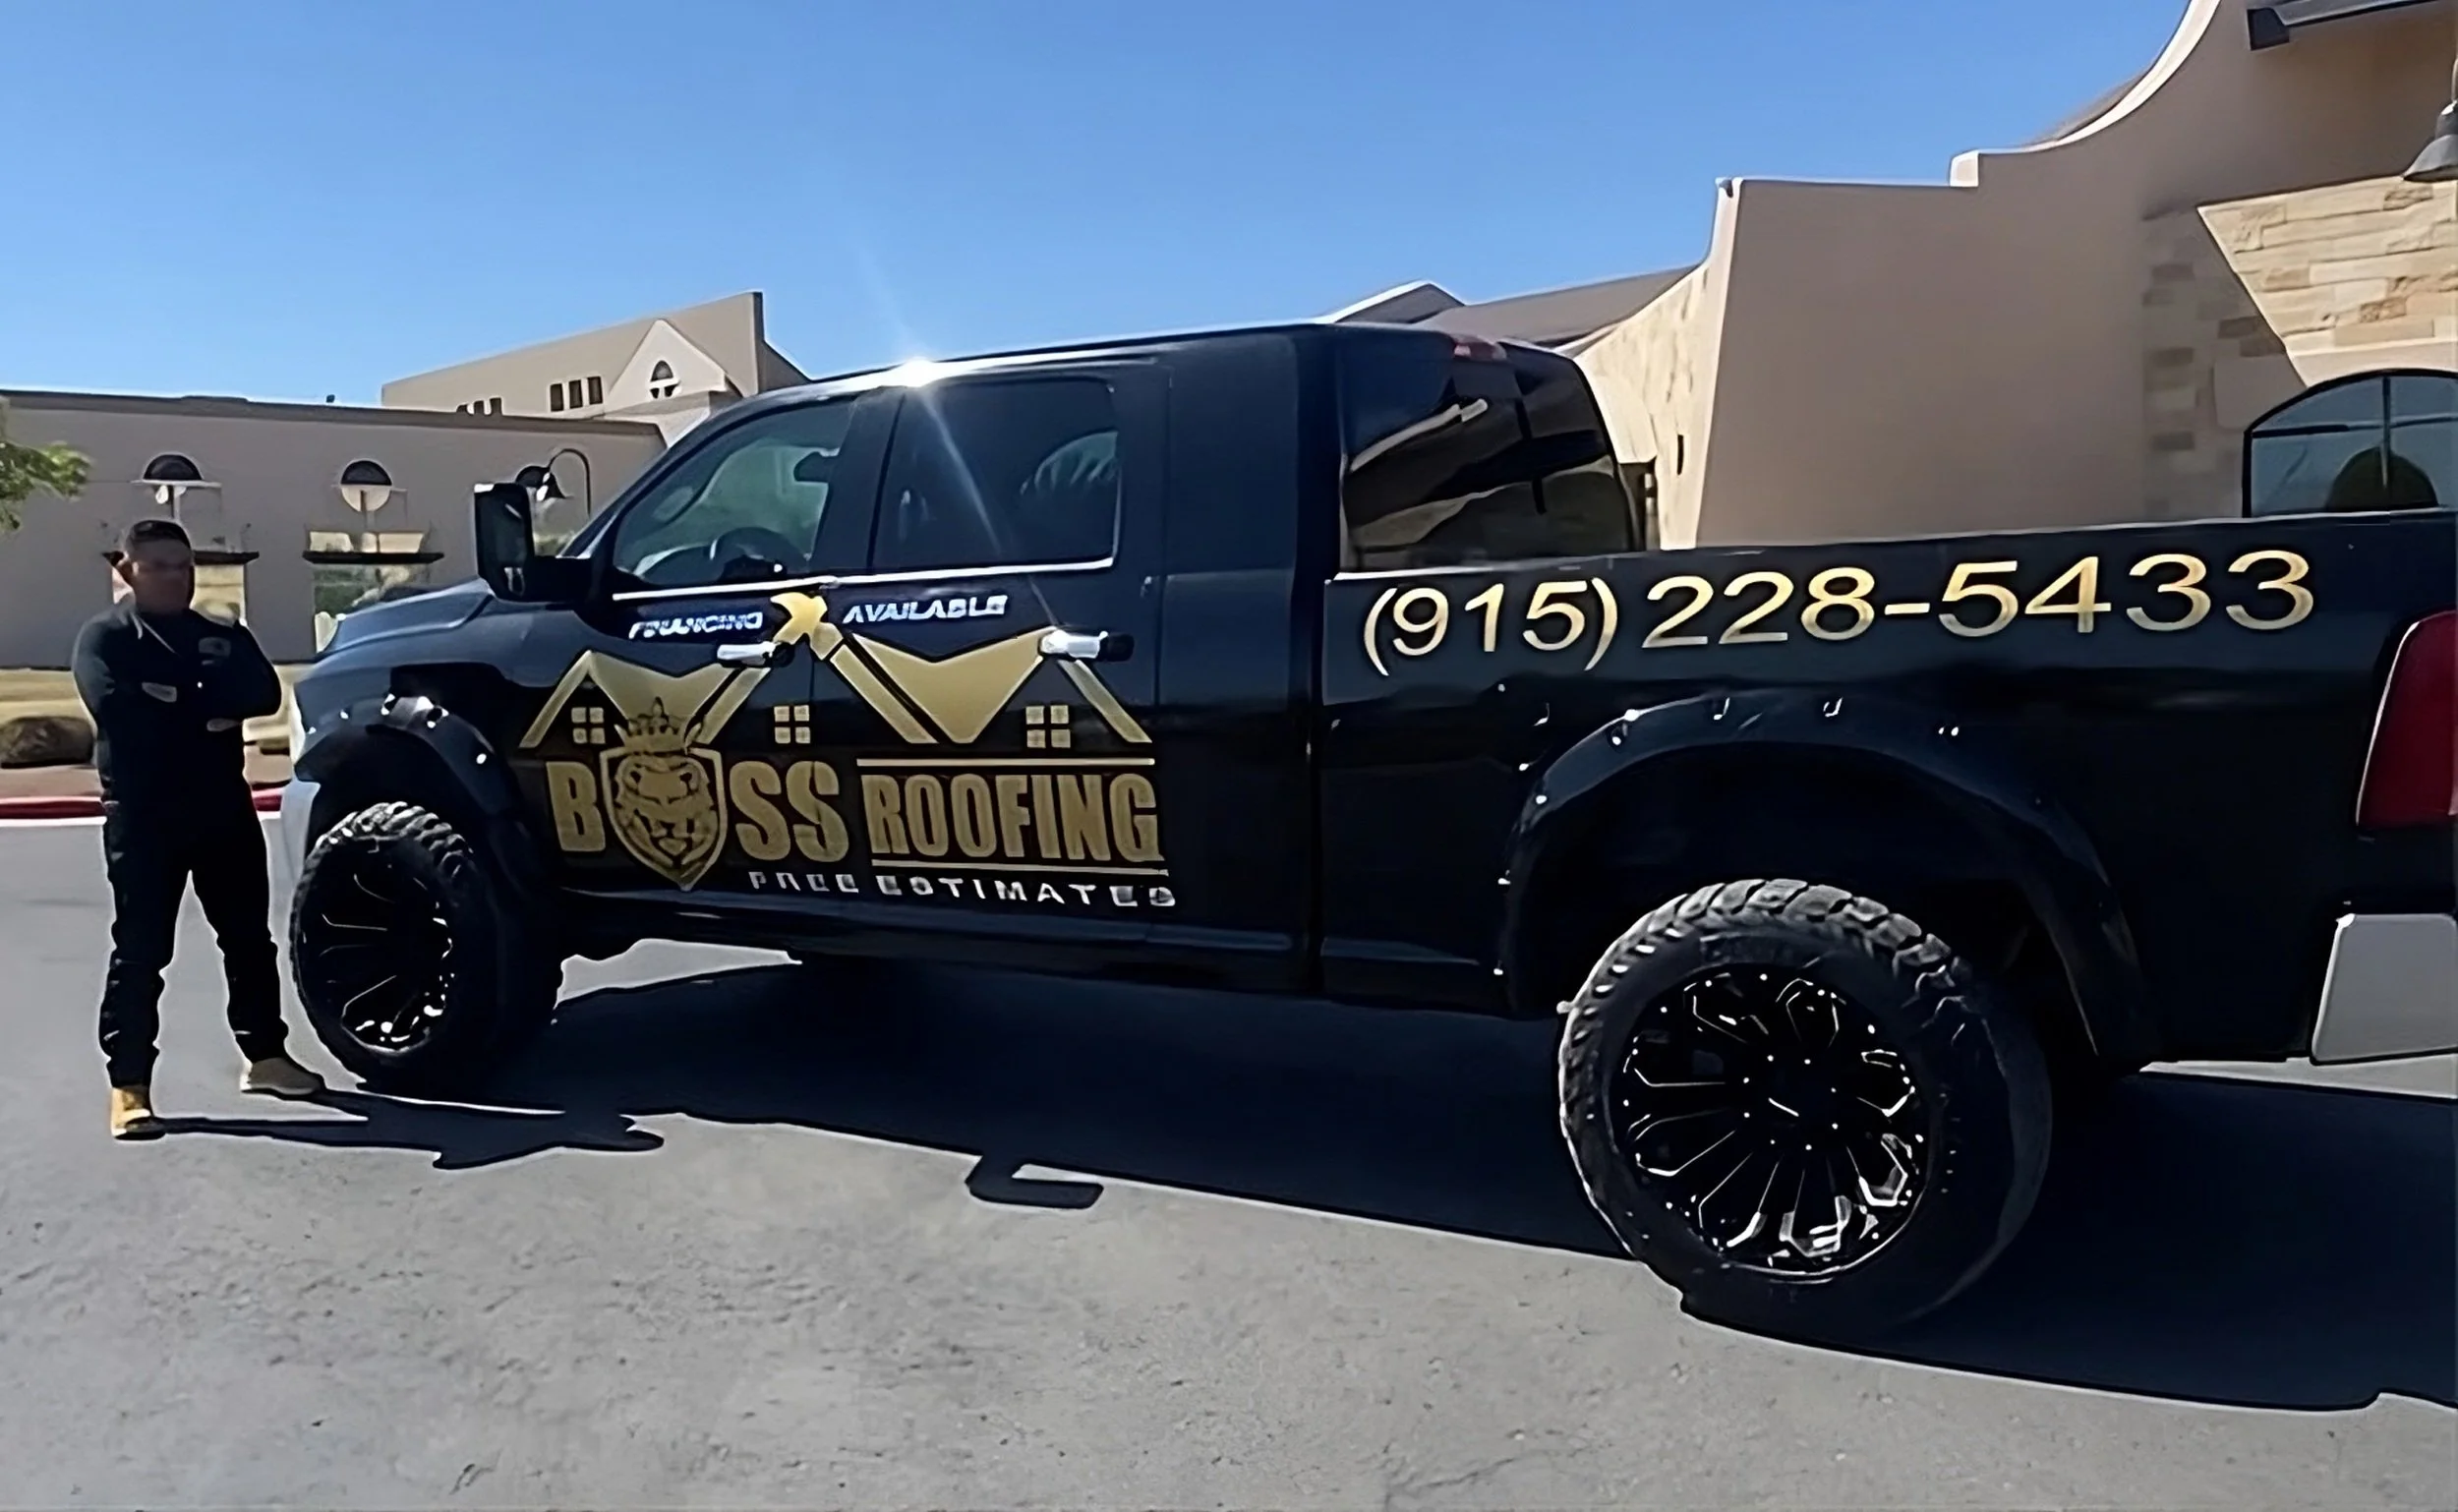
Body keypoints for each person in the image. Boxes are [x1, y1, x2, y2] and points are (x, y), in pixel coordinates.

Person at [72, 518, 325, 1139]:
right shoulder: (105, 638)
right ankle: (129, 1085)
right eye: (159, 565)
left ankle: (266, 1056)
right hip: (145, 816)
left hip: (222, 809)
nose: (176, 577)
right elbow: (119, 708)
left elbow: (263, 694)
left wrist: (176, 698)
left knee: (247, 942)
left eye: (184, 565)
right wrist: (208, 705)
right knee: (141, 952)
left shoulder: (220, 631)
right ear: (127, 570)